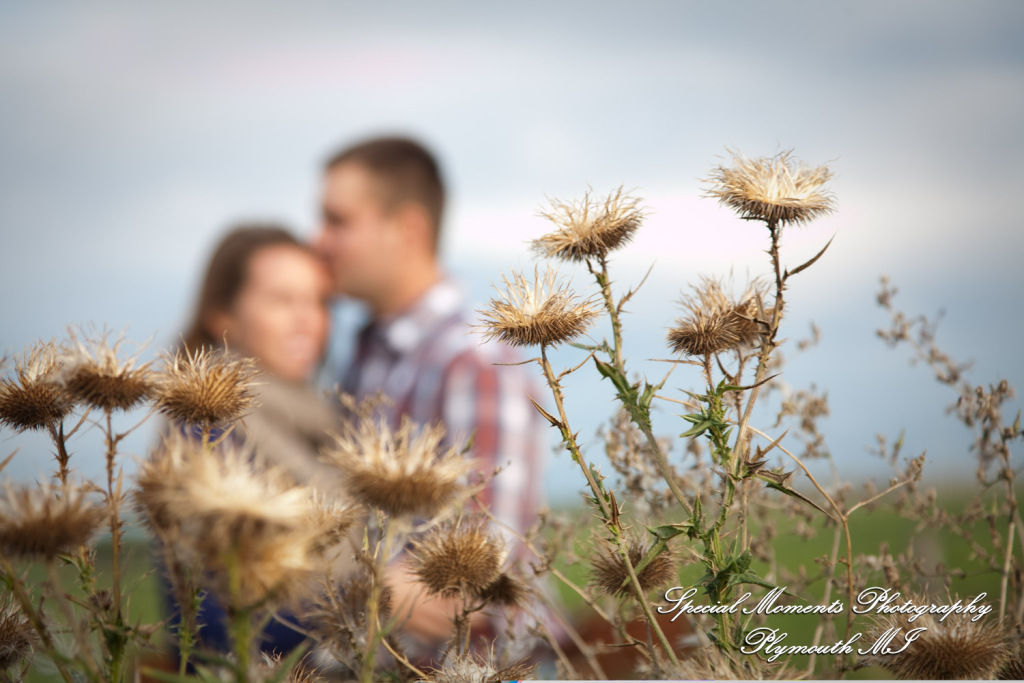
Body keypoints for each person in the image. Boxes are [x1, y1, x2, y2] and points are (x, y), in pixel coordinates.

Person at [314, 137, 545, 649]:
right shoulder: (368, 354)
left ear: (409, 228)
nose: (319, 241)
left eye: (338, 221)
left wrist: (344, 585)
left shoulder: (475, 365)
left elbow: (473, 575)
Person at [167, 224, 345, 659]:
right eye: (282, 300)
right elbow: (219, 619)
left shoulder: (312, 421)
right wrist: (383, 598)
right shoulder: (209, 429)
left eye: (318, 302)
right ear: (222, 317)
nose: (308, 319)